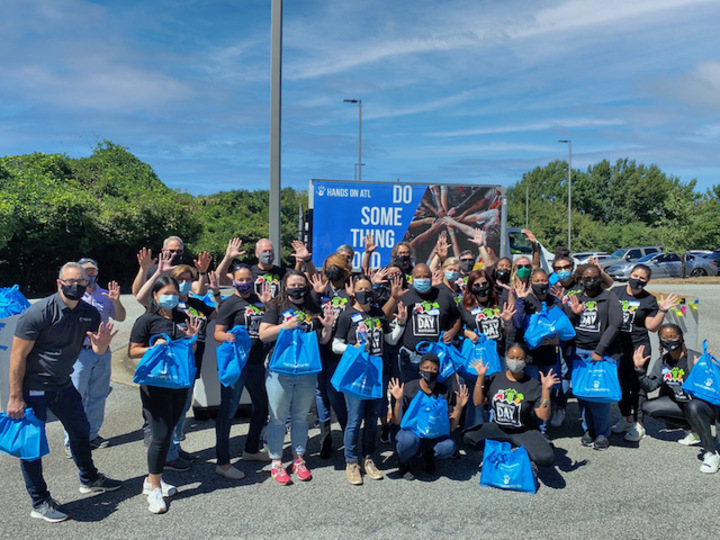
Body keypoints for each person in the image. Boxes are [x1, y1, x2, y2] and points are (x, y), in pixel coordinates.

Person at [6, 262, 122, 522]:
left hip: (63, 384)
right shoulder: (38, 313)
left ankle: (89, 478)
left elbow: (96, 350)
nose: (77, 286)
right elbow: (17, 356)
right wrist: (15, 396)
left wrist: (101, 347)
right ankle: (39, 502)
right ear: (60, 283)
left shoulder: (89, 313)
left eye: (82, 283)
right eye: (71, 282)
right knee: (32, 446)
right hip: (34, 386)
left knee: (81, 431)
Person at [128, 275, 201, 514]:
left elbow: (191, 350)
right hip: (155, 385)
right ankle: (155, 489)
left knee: (169, 432)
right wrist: (153, 347)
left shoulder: (183, 318)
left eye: (174, 293)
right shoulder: (146, 320)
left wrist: (191, 338)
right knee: (159, 436)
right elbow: (132, 351)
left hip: (179, 383)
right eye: (165, 293)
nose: (170, 297)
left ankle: (151, 480)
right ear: (156, 296)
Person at [258, 270, 335, 485]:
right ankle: (276, 461)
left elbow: (321, 339)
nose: (297, 287)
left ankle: (298, 459)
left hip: (307, 369)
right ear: (285, 286)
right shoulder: (277, 305)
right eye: (292, 284)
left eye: (301, 284)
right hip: (280, 369)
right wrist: (284, 326)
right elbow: (264, 334)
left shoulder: (313, 307)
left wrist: (328, 328)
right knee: (278, 417)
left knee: (301, 416)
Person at [332, 276, 406, 484]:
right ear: (353, 291)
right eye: (360, 288)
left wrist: (400, 323)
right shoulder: (347, 315)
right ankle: (351, 462)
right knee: (355, 419)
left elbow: (390, 339)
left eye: (368, 288)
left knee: (372, 418)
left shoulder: (377, 314)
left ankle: (369, 459)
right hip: (356, 372)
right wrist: (351, 348)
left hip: (375, 370)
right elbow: (335, 344)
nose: (364, 291)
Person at [63, 257, 126, 458]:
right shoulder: (72, 295)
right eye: (85, 271)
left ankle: (92, 435)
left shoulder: (105, 295)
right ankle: (71, 440)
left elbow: (121, 317)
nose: (89, 275)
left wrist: (116, 301)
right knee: (76, 397)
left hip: (102, 351)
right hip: (78, 353)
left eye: (92, 271)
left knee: (98, 396)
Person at [214, 264, 272, 480]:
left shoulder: (258, 299)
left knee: (261, 406)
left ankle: (250, 449)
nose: (245, 283)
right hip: (237, 364)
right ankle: (223, 462)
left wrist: (266, 306)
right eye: (240, 279)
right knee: (228, 411)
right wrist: (228, 337)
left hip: (257, 362)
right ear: (234, 281)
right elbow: (217, 333)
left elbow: (266, 325)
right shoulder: (230, 304)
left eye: (248, 279)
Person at [634, 326, 719, 473]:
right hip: (683, 407)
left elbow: (711, 388)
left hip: (706, 408)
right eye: (665, 338)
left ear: (681, 337)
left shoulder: (695, 358)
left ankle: (711, 452)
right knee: (649, 407)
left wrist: (705, 367)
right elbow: (651, 386)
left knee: (693, 406)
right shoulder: (662, 362)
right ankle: (694, 430)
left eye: (673, 337)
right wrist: (639, 370)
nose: (669, 341)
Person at [463, 343, 558, 469]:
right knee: (468, 437)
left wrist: (545, 390)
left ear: (525, 360)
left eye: (519, 358)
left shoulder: (533, 384)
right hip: (498, 427)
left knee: (546, 458)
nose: (515, 361)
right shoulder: (496, 378)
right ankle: (505, 449)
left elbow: (543, 416)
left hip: (523, 430)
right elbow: (478, 402)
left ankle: (520, 451)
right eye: (512, 357)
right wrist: (480, 377)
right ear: (506, 358)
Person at [612, 264, 679, 442]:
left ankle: (639, 423)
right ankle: (626, 417)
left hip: (638, 348)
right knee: (621, 385)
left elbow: (651, 326)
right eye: (635, 275)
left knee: (638, 385)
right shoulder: (616, 292)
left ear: (647, 281)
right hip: (618, 347)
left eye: (642, 278)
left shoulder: (648, 300)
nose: (637, 280)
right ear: (629, 274)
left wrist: (662, 310)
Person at [566, 264, 623, 450]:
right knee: (583, 394)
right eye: (587, 278)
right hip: (579, 353)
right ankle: (588, 429)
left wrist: (599, 350)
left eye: (595, 278)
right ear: (581, 280)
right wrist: (573, 314)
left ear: (600, 279)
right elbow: (567, 325)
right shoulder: (576, 297)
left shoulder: (609, 297)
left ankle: (602, 433)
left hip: (600, 353)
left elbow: (615, 324)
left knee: (599, 396)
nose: (591, 281)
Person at [388, 353, 469, 480]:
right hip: (411, 434)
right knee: (407, 441)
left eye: (434, 369)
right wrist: (398, 400)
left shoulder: (443, 391)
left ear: (438, 371)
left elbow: (451, 428)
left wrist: (459, 406)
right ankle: (404, 462)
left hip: (432, 435)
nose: (429, 371)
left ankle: (428, 455)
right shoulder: (409, 388)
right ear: (420, 368)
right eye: (426, 368)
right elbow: (397, 421)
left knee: (449, 446)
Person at [512, 268, 566, 434]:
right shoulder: (525, 300)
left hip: (548, 357)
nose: (541, 284)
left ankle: (541, 430)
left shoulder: (554, 302)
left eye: (544, 281)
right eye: (537, 281)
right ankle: (529, 428)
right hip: (529, 357)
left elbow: (563, 327)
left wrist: (559, 338)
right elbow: (517, 324)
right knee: (530, 392)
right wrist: (520, 301)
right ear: (531, 283)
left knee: (546, 393)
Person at [310, 253, 353, 459]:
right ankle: (325, 437)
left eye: (336, 266)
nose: (332, 270)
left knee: (334, 392)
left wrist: (352, 298)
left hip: (340, 350)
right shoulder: (321, 288)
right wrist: (317, 294)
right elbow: (310, 310)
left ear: (345, 269)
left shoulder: (350, 289)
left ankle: (347, 432)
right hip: (320, 347)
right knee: (320, 393)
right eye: (329, 266)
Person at [395, 263, 460, 382]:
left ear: (431, 278)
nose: (422, 280)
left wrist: (451, 333)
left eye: (425, 277)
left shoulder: (444, 296)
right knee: (411, 395)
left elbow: (457, 318)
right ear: (412, 279)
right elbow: (388, 318)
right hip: (411, 357)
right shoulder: (405, 297)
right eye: (418, 277)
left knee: (441, 395)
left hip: (437, 356)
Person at [132, 236, 212, 303]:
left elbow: (200, 291)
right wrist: (143, 269)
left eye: (179, 251)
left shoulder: (183, 270)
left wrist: (203, 272)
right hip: (157, 311)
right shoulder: (154, 270)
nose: (175, 254)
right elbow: (137, 292)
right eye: (172, 251)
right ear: (163, 251)